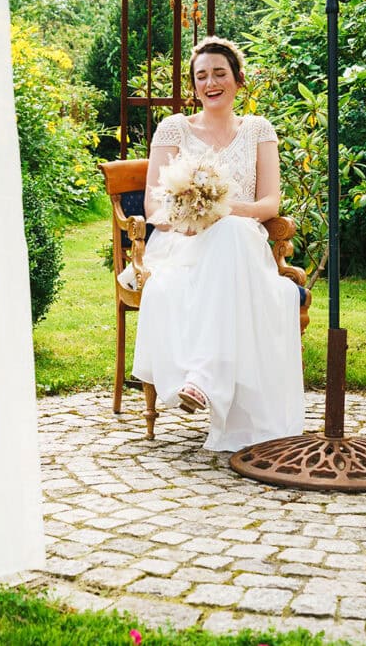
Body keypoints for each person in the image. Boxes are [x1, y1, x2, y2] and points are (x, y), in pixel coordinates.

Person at [131, 36, 305, 452]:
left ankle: (203, 378)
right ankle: (207, 379)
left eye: (219, 74)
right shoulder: (174, 128)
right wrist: (189, 218)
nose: (210, 82)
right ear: (194, 85)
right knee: (227, 237)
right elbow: (154, 205)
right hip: (181, 242)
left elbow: (269, 203)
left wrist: (222, 213)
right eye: (201, 76)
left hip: (242, 243)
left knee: (231, 232)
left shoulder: (258, 129)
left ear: (238, 80)